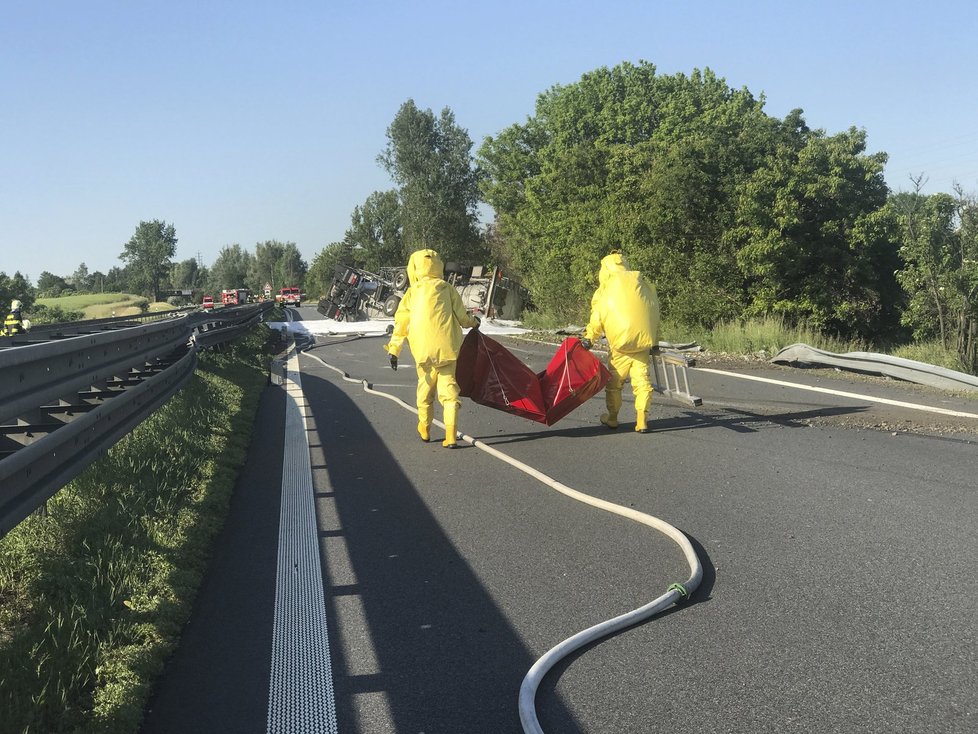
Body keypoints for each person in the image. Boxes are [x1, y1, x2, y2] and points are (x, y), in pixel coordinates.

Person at [385, 248, 480, 448]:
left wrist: (394, 350)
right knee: (449, 392)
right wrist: (475, 322)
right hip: (448, 349)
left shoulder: (411, 294)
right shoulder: (447, 289)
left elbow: (401, 324)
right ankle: (451, 435)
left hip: (423, 352)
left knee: (425, 392)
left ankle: (425, 428)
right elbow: (463, 318)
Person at [580, 252, 660, 433]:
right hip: (643, 343)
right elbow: (653, 311)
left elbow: (598, 316)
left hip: (620, 346)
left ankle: (613, 418)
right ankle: (642, 420)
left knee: (614, 384)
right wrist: (655, 340)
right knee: (642, 382)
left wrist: (589, 339)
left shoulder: (606, 288)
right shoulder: (642, 283)